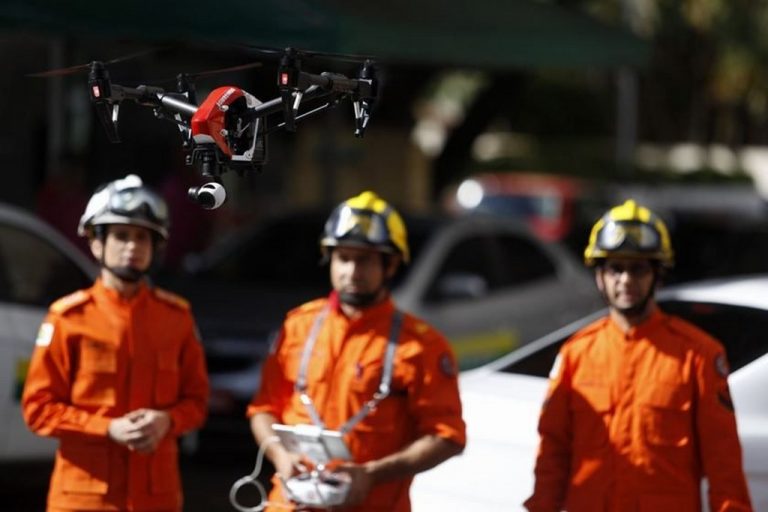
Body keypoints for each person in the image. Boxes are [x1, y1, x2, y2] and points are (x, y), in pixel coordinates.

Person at [524, 199, 753, 512]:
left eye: (638, 268)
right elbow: (553, 452)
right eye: (615, 268)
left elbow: (723, 462)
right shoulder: (577, 354)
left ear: (657, 275)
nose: (626, 280)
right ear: (599, 276)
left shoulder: (697, 355)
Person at [247, 190, 466, 511]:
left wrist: (372, 474)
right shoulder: (299, 325)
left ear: (390, 265)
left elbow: (447, 437)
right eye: (343, 258)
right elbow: (262, 409)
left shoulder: (421, 345)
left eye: (363, 259)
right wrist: (280, 454)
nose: (351, 271)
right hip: (291, 504)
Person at [22, 174, 210, 512]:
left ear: (156, 247)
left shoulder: (177, 318)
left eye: (142, 238)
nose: (132, 247)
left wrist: (167, 421)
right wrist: (108, 428)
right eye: (121, 236)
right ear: (96, 242)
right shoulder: (68, 318)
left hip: (156, 499)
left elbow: (197, 402)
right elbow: (38, 409)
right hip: (84, 499)